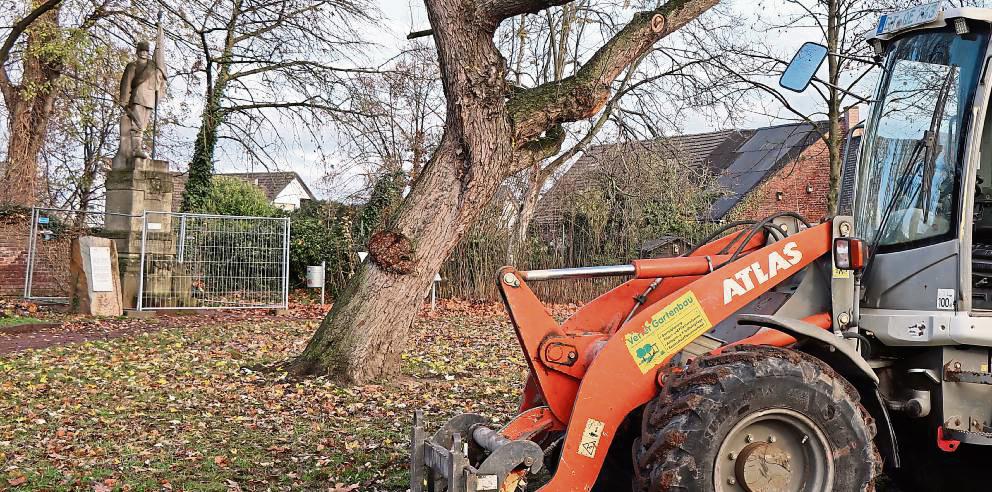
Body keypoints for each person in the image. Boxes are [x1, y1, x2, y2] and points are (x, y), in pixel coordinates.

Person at [113, 22, 166, 168]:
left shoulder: (152, 66)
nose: (144, 53)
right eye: (141, 51)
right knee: (137, 125)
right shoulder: (133, 66)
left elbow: (158, 80)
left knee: (143, 125)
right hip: (137, 98)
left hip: (149, 99)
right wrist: (124, 100)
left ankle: (138, 147)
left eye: (146, 51)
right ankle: (136, 149)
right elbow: (126, 83)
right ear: (137, 52)